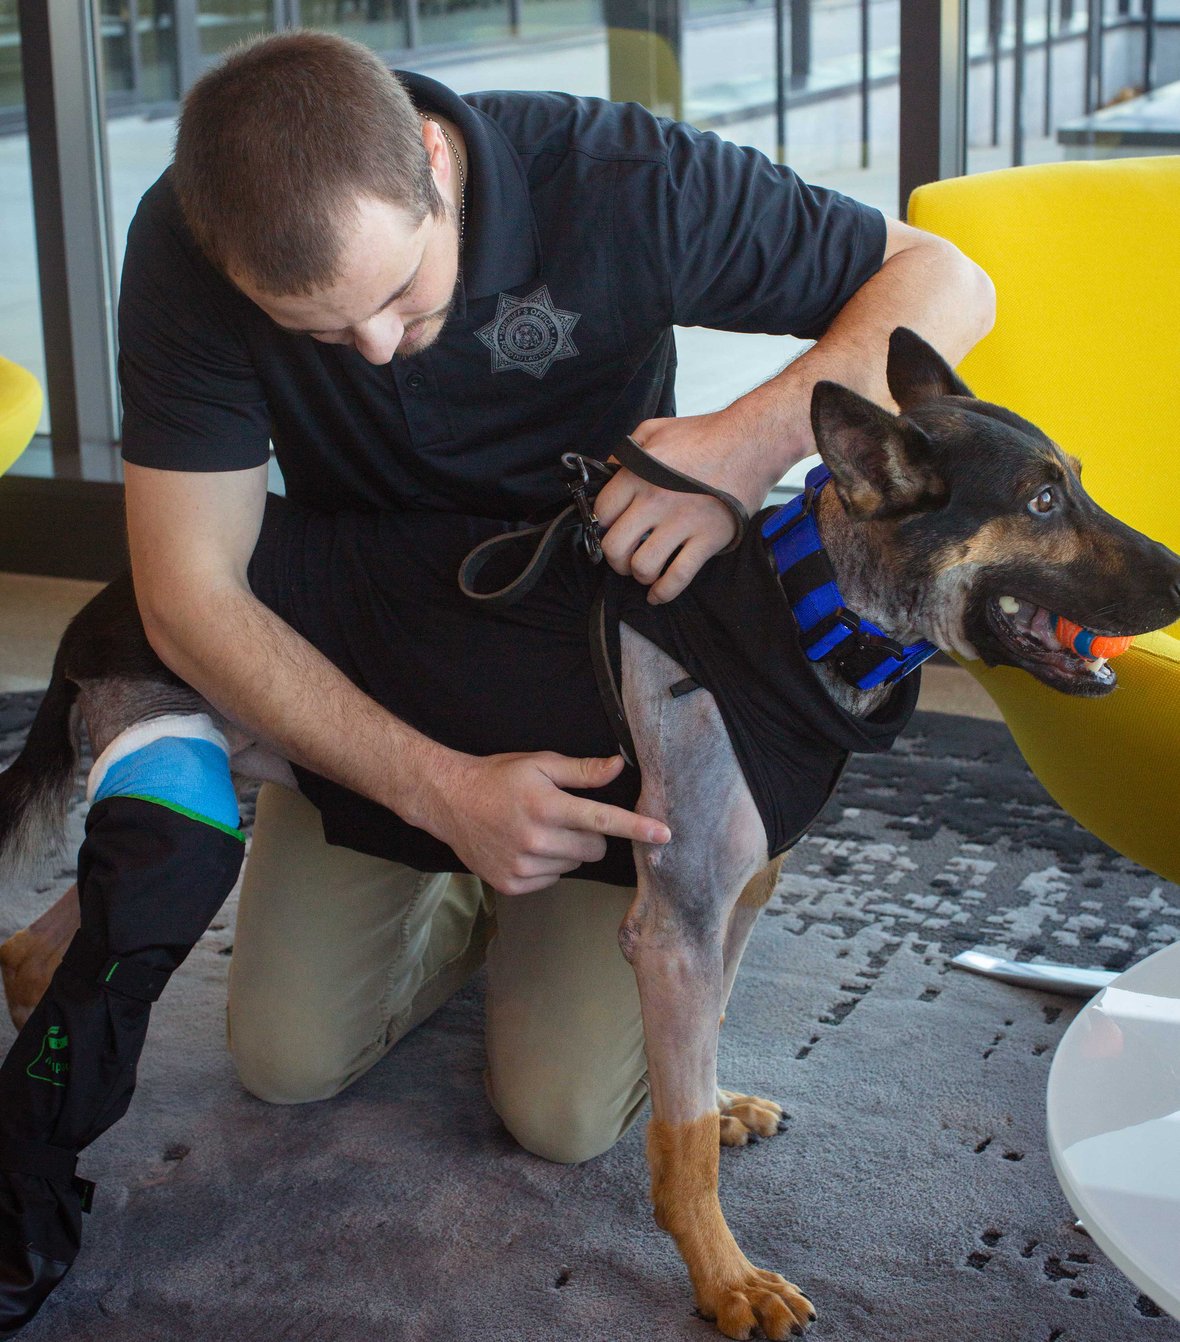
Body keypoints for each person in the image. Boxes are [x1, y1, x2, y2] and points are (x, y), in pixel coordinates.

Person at [0, 28, 994, 1335]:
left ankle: (516, 907)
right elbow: (190, 590)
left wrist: (741, 446)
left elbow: (947, 277)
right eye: (320, 329)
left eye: (400, 293)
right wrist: (443, 791)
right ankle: (464, 885)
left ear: (431, 162)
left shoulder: (618, 174)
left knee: (563, 1110)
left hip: (601, 679)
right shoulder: (196, 240)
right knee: (285, 1058)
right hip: (384, 661)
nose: (372, 347)